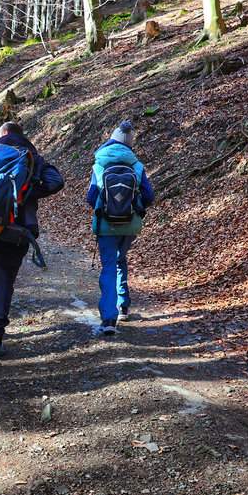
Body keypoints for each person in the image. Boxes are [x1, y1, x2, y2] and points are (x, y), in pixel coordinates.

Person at [0, 121, 64, 360]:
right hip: (18, 227)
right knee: (4, 278)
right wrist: (25, 193)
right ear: (20, 135)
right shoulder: (32, 156)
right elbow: (56, 182)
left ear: (2, 134)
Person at [85, 120, 155, 336]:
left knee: (108, 266)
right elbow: (149, 196)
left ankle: (108, 319)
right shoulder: (137, 165)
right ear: (129, 144)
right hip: (129, 225)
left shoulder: (99, 164)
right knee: (120, 259)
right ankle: (123, 305)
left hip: (106, 225)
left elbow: (90, 198)